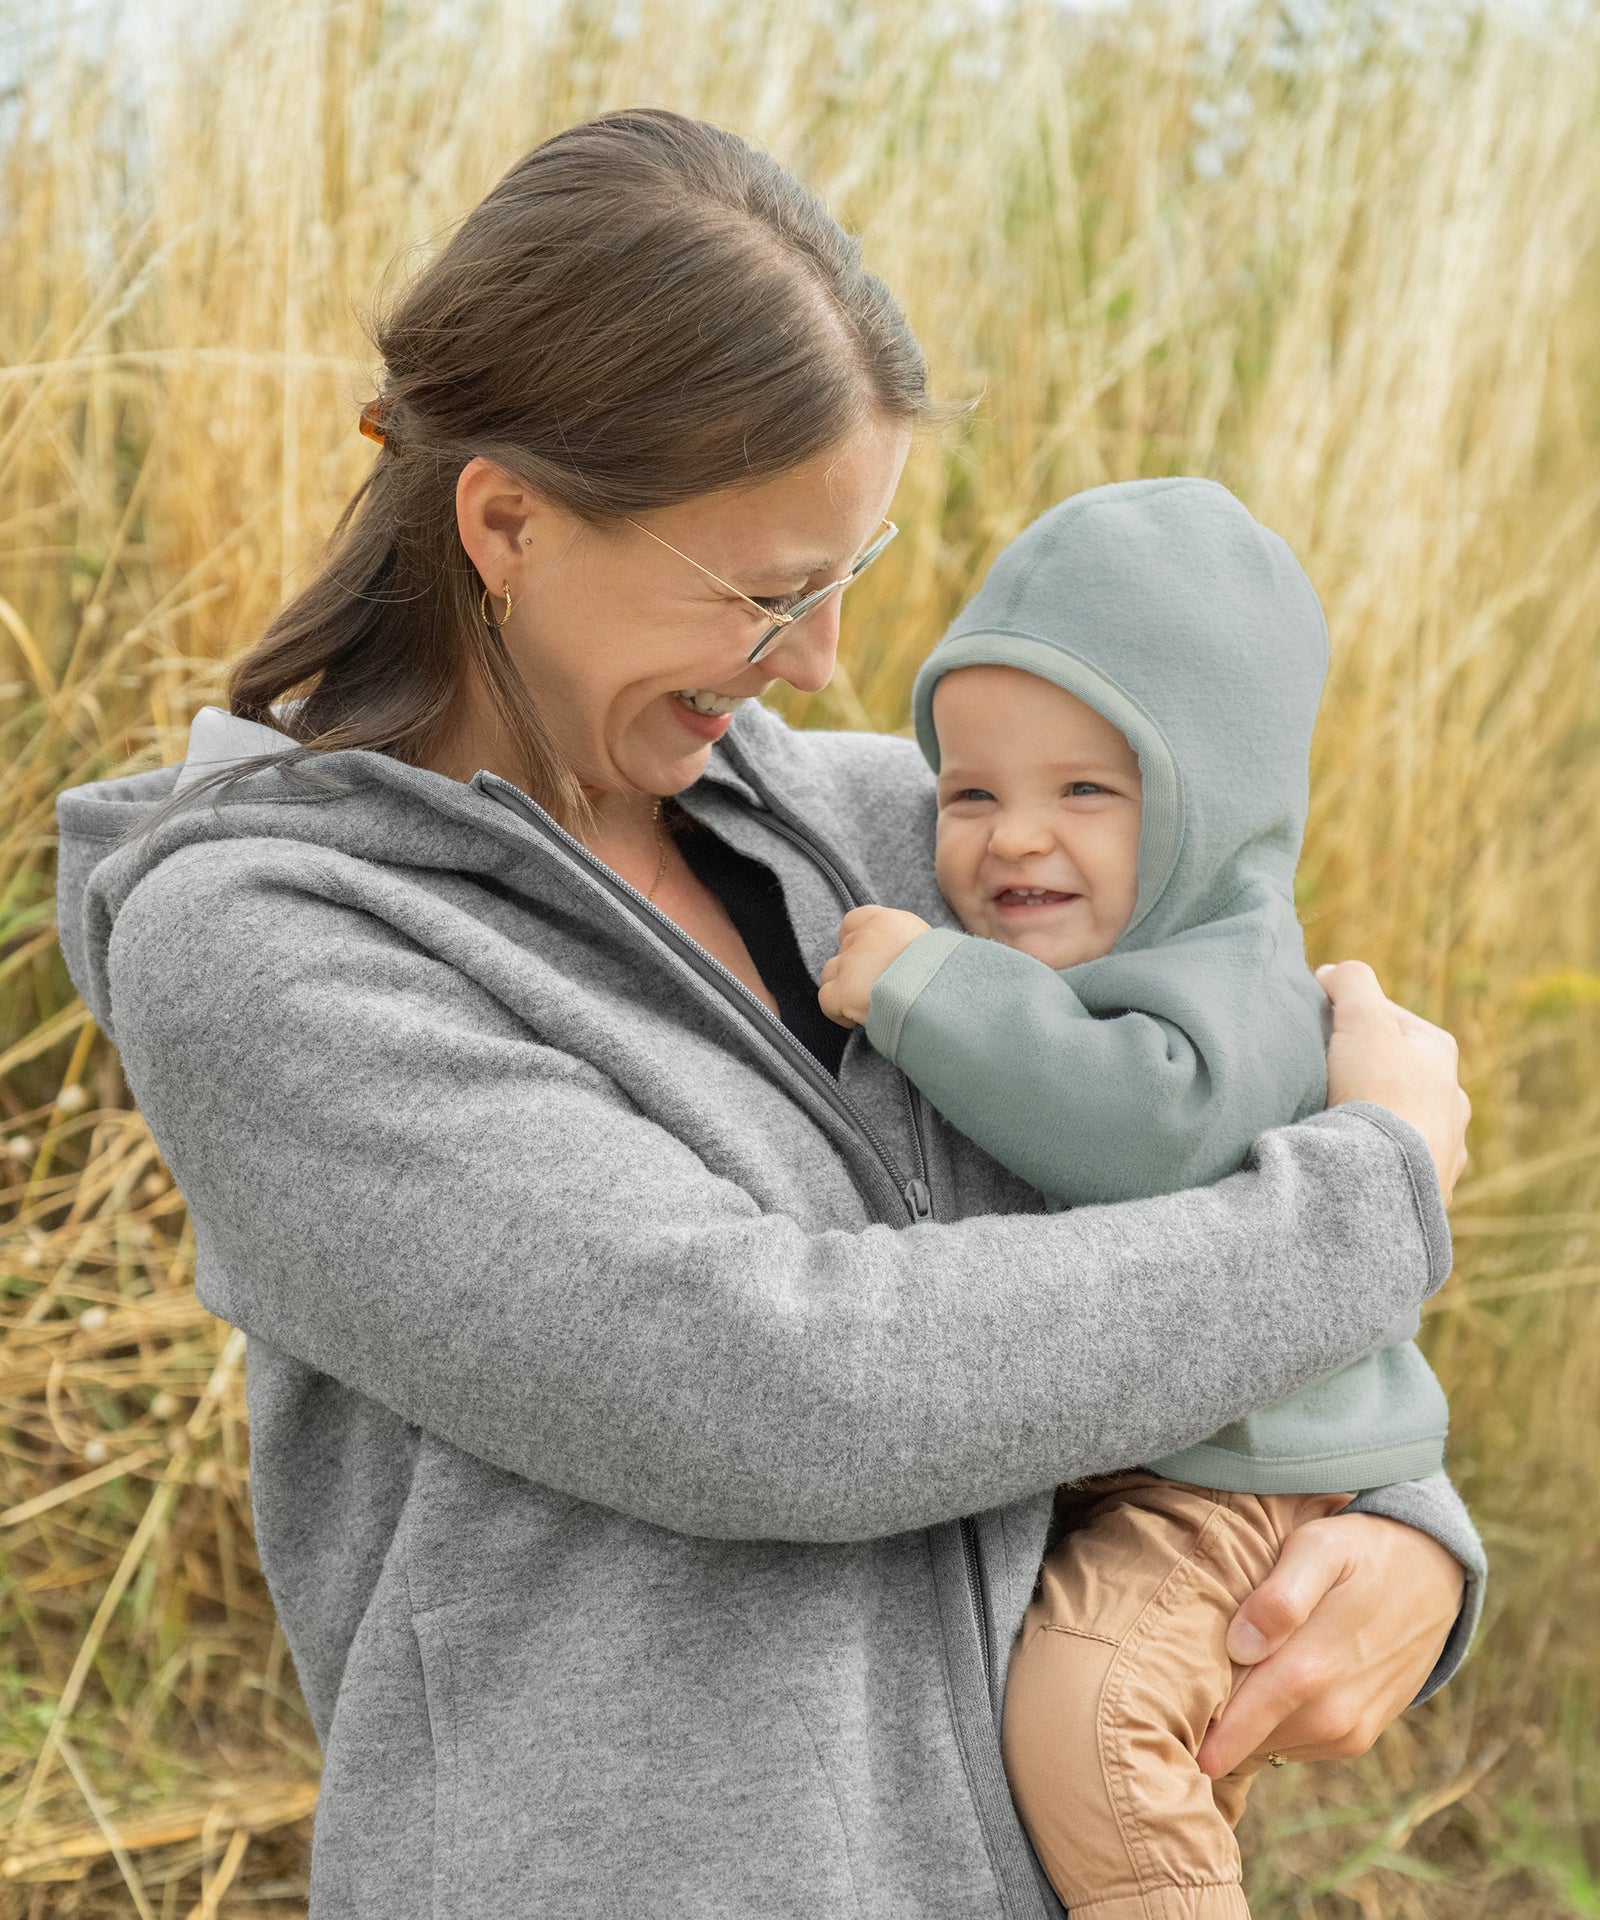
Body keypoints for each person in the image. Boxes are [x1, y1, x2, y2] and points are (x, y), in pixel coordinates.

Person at [54, 110, 1478, 1918]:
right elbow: (771, 1383)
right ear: (506, 518)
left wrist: (1404, 1536)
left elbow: (1232, 1122)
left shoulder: (899, 827)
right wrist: (1368, 1213)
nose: (814, 662)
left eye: (845, 582)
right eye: (763, 590)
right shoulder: (271, 950)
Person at [816, 477, 1459, 1919]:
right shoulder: (1142, 948)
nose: (1011, 841)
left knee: (1097, 1720)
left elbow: (1141, 1129)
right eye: (971, 791)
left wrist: (930, 986)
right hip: (1173, 1452)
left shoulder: (1227, 978)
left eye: (1087, 792)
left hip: (1239, 1471)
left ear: (1207, 802)